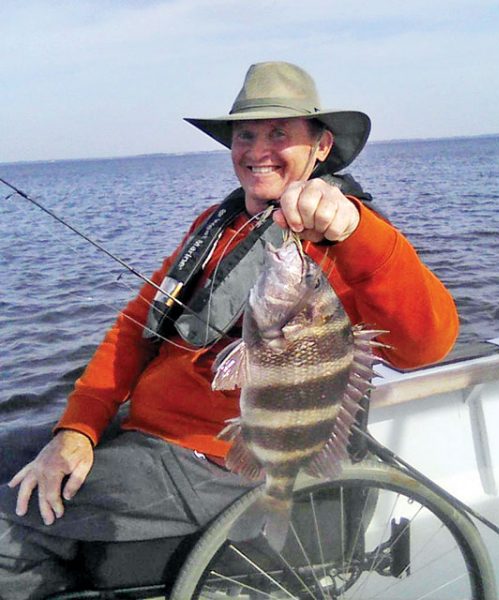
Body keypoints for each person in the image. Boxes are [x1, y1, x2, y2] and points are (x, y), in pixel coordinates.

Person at [0, 61, 459, 599]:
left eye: (280, 133)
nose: (258, 149)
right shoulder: (217, 225)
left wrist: (357, 230)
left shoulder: (345, 237)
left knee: (12, 513)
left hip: (216, 459)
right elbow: (134, 329)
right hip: (145, 433)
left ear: (321, 146)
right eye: (246, 134)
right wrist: (78, 429)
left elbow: (429, 345)